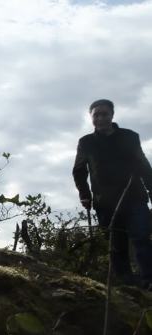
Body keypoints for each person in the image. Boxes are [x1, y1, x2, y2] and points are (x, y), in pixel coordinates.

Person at [72, 99, 152, 290]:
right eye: (96, 115)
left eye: (104, 114)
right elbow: (79, 170)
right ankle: (127, 285)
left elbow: (143, 165)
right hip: (105, 202)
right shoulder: (86, 142)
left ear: (112, 115)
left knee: (141, 238)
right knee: (116, 245)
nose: (100, 118)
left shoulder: (130, 137)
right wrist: (85, 195)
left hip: (135, 198)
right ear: (91, 118)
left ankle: (149, 280)